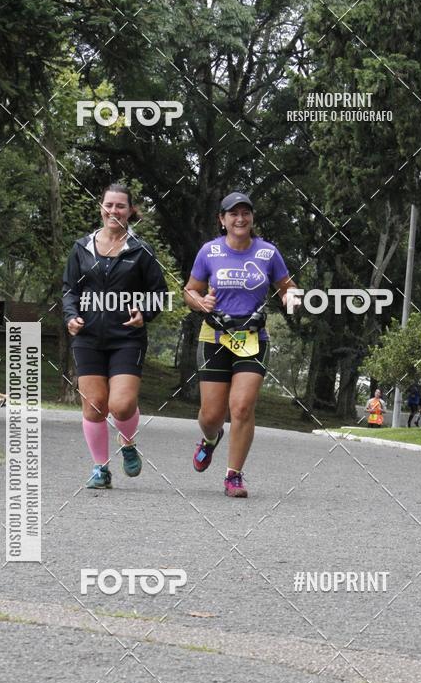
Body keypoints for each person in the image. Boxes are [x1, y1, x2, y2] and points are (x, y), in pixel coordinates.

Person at [183, 191, 297, 498]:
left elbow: (287, 286)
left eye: (245, 213)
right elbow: (190, 291)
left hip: (252, 337)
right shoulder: (209, 252)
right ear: (222, 220)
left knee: (242, 407)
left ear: (252, 218)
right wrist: (200, 301)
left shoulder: (267, 253)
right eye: (233, 213)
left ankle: (233, 475)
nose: (240, 218)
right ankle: (210, 439)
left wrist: (290, 297)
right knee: (211, 416)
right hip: (215, 336)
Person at [62, 183, 167, 489]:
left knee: (120, 406)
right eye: (109, 205)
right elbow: (70, 289)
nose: (114, 211)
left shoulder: (142, 250)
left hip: (126, 337)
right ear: (101, 207)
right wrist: (71, 317)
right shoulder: (82, 247)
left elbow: (159, 294)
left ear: (131, 211)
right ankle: (100, 468)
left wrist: (143, 313)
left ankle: (128, 442)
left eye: (121, 206)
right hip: (88, 336)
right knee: (94, 405)